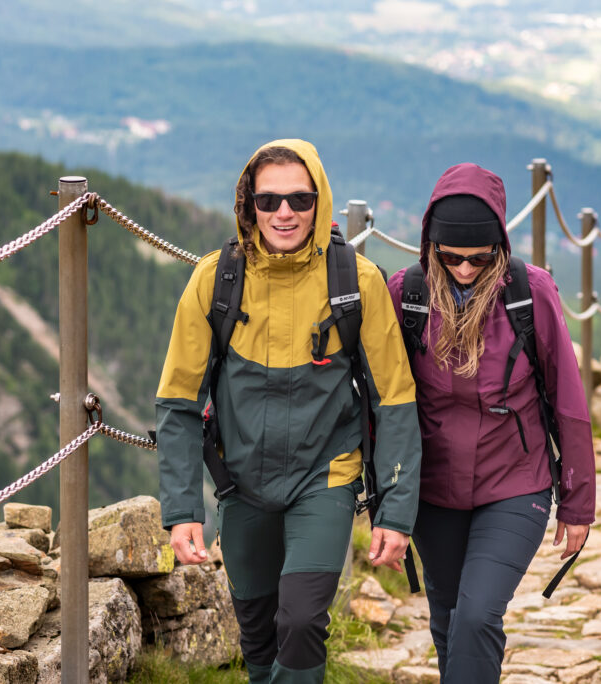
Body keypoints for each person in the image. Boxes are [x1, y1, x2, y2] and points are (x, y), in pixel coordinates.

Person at [155, 139, 422, 683]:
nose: (284, 213)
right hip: (240, 484)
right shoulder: (215, 280)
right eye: (269, 199)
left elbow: (394, 400)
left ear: (320, 202)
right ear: (248, 203)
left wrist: (395, 512)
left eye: (300, 200)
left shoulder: (357, 282)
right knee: (257, 636)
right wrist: (183, 508)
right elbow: (179, 403)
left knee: (301, 621)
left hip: (324, 478)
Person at [386, 163, 596, 683]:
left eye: (478, 259)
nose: (462, 269)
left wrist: (578, 503)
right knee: (449, 619)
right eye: (450, 257)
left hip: (516, 482)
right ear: (429, 246)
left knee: (478, 614)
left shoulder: (531, 294)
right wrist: (384, 499)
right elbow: (382, 403)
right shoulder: (406, 296)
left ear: (500, 247)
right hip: (433, 488)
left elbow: (569, 403)